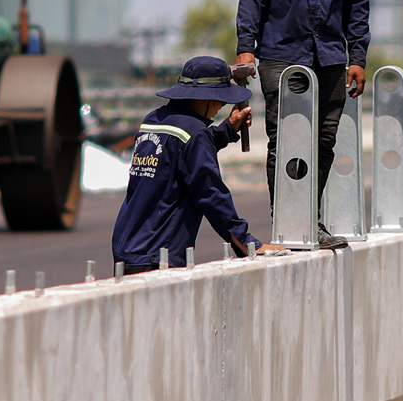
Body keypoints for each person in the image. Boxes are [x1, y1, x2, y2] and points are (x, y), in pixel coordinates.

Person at [234, 0, 371, 250]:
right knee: (288, 139)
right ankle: (289, 222)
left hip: (329, 56)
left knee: (323, 139)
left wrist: (357, 55)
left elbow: (356, 2)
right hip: (281, 54)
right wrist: (247, 49)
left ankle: (310, 219)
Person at [112, 56, 282, 273]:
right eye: (221, 99)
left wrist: (227, 130)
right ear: (205, 97)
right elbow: (211, 194)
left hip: (127, 247)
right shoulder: (195, 133)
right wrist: (247, 243)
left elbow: (181, 156)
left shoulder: (153, 120)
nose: (222, 105)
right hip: (159, 253)